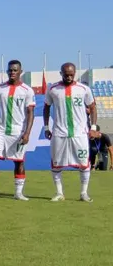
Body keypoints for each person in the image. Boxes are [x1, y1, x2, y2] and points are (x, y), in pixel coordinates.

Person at [0, 59, 34, 201]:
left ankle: (18, 192)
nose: (12, 72)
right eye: (10, 70)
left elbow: (30, 113)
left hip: (18, 131)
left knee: (19, 161)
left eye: (15, 70)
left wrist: (27, 133)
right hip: (0, 129)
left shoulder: (27, 90)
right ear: (7, 71)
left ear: (20, 72)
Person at [44, 62, 96, 202]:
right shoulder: (53, 89)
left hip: (79, 134)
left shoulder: (84, 89)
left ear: (75, 74)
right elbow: (46, 108)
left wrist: (93, 128)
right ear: (61, 73)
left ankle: (84, 193)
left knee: (84, 163)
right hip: (59, 134)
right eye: (66, 74)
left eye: (71, 75)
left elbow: (92, 107)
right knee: (56, 163)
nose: (69, 77)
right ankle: (59, 193)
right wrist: (46, 127)